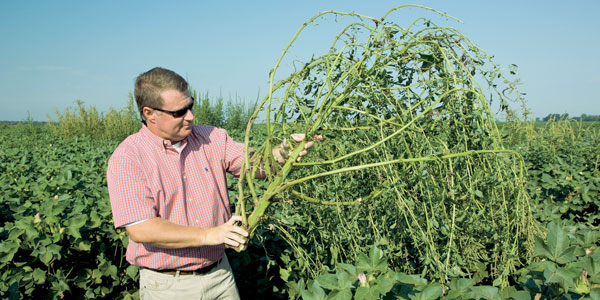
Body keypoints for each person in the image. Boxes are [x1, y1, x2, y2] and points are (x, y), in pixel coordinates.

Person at [106, 67, 319, 299]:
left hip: (220, 276)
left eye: (190, 105)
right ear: (150, 113)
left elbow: (256, 165)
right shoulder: (129, 157)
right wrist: (210, 235)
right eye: (179, 112)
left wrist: (286, 151)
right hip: (169, 286)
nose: (190, 116)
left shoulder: (211, 138)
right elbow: (141, 228)